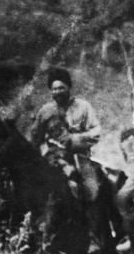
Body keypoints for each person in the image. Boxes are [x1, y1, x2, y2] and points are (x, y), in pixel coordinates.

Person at [30, 67, 102, 198]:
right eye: (54, 89)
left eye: (61, 88)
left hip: (80, 158)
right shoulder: (45, 111)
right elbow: (36, 139)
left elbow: (96, 132)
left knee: (92, 191)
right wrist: (47, 154)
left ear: (69, 87)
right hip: (54, 161)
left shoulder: (83, 106)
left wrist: (74, 140)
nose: (57, 92)